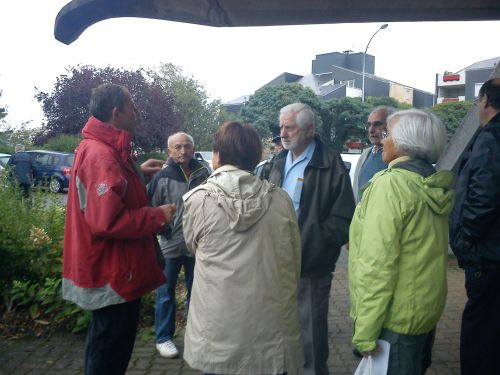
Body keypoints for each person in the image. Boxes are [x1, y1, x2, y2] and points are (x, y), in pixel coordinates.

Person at [62, 83, 176, 375]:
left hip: (112, 271)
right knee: (109, 355)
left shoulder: (104, 149)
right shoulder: (102, 155)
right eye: (132, 107)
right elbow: (107, 222)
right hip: (113, 274)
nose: (136, 113)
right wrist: (157, 216)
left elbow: (111, 197)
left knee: (104, 347)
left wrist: (139, 175)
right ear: (116, 112)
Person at [182, 121, 304, 375]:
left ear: (217, 156)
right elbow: (293, 259)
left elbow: (194, 248)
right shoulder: (281, 200)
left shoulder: (198, 200)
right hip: (270, 331)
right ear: (255, 156)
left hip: (218, 331)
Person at [349, 109, 453, 374]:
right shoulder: (430, 183)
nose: (382, 140)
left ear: (406, 141)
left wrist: (365, 331)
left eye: (388, 134)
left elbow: (377, 265)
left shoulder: (390, 186)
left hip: (393, 321)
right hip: (422, 316)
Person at [268, 103, 355, 375]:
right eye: (281, 127)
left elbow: (343, 217)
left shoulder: (331, 163)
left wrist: (319, 245)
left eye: (289, 127)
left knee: (311, 333)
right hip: (276, 261)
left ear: (310, 130)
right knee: (279, 326)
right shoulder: (279, 161)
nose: (283, 133)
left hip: (311, 261)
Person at [449, 78, 500, 375]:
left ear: (485, 101)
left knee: (479, 335)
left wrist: (467, 239)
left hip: (487, 256)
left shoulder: (491, 138)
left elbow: (484, 197)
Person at [147, 132, 210, 358]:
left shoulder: (205, 174)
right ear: (169, 151)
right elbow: (150, 210)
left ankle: (196, 336)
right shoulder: (161, 177)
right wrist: (163, 229)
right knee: (165, 293)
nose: (182, 151)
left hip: (197, 245)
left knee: (199, 293)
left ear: (193, 149)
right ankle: (163, 338)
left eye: (186, 146)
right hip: (170, 246)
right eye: (177, 147)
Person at [352, 106, 395, 202]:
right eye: (369, 125)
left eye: (377, 124)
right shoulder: (365, 155)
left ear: (392, 126)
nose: (371, 130)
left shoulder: (397, 157)